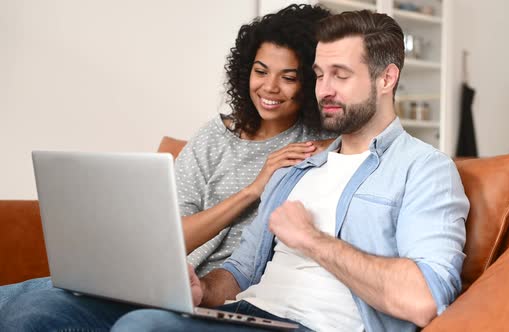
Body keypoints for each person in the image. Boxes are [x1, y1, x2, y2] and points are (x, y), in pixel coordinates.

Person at [3, 9, 470, 332]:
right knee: (27, 309)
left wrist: (312, 240)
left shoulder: (424, 169)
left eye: (340, 76)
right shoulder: (300, 166)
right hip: (246, 313)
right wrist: (202, 290)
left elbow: (423, 299)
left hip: (311, 325)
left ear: (386, 78)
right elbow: (243, 268)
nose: (324, 89)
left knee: (143, 326)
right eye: (319, 73)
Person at [0, 2, 332, 318]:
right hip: (153, 280)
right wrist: (252, 190)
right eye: (261, 71)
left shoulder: (311, 146)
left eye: (288, 77)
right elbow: (171, 238)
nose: (270, 87)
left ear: (309, 81)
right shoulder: (214, 136)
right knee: (15, 298)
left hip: (213, 295)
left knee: (33, 310)